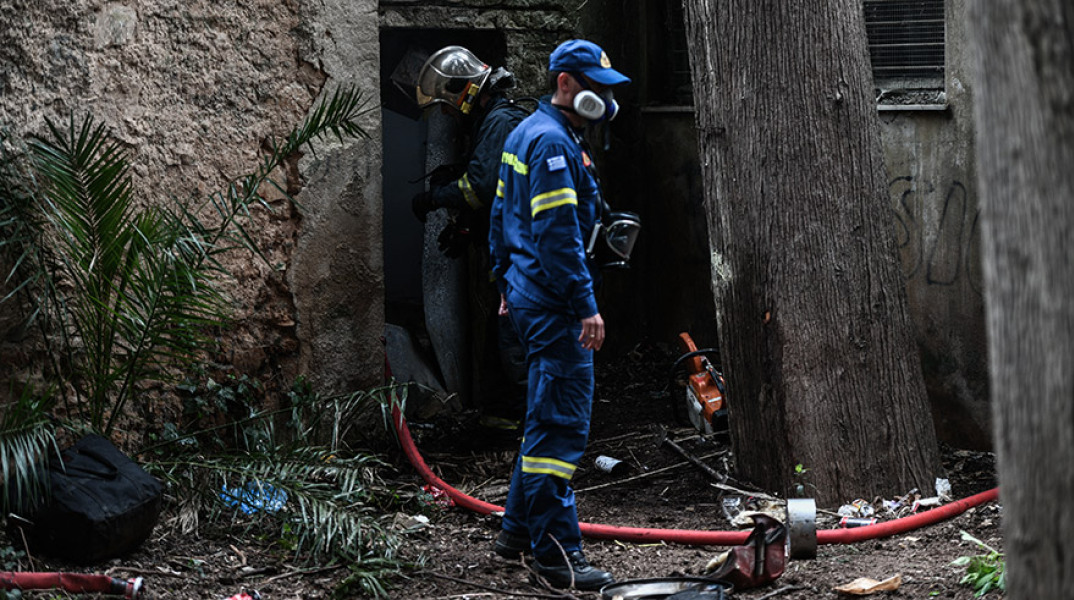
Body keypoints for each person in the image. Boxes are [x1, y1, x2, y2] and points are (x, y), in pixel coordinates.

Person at [487, 39, 630, 591]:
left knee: (541, 419)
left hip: (528, 296)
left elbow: (501, 215)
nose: (603, 99)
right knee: (561, 429)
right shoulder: (550, 142)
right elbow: (557, 236)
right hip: (554, 305)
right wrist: (585, 306)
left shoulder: (531, 132)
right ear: (565, 83)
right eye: (595, 88)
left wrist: (504, 281)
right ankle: (557, 557)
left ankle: (515, 537)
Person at [412, 46, 531, 434]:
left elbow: (479, 188)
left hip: (524, 257)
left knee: (516, 346)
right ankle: (507, 423)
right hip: (511, 252)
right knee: (505, 343)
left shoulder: (499, 123)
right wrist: (469, 228)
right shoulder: (494, 122)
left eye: (446, 106)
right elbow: (500, 194)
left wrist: (435, 199)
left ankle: (535, 433)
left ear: (462, 93)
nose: (446, 115)